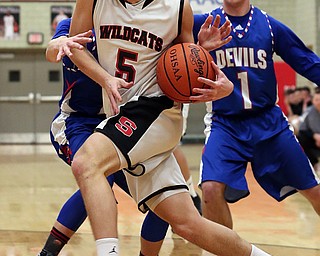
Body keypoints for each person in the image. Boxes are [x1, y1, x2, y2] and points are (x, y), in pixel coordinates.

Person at [67, 0, 271, 255]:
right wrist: (105, 78)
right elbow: (75, 47)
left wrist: (204, 59)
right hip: (125, 119)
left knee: (87, 162)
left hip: (157, 110)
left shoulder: (177, 7)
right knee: (189, 224)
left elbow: (186, 65)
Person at [40, 18, 170, 256]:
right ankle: (48, 252)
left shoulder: (130, 30)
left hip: (119, 125)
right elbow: (51, 50)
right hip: (77, 123)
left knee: (165, 201)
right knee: (100, 176)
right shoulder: (74, 24)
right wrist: (61, 44)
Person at [192, 0, 320, 230]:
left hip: (269, 122)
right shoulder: (204, 23)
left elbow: (308, 62)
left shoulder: (270, 26)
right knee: (210, 189)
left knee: (314, 190)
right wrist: (198, 48)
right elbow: (171, 53)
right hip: (224, 124)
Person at [298, 87, 320, 176]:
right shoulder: (309, 111)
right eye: (317, 100)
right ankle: (314, 163)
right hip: (315, 141)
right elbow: (302, 129)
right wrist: (314, 135)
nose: (319, 102)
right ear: (313, 101)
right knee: (301, 137)